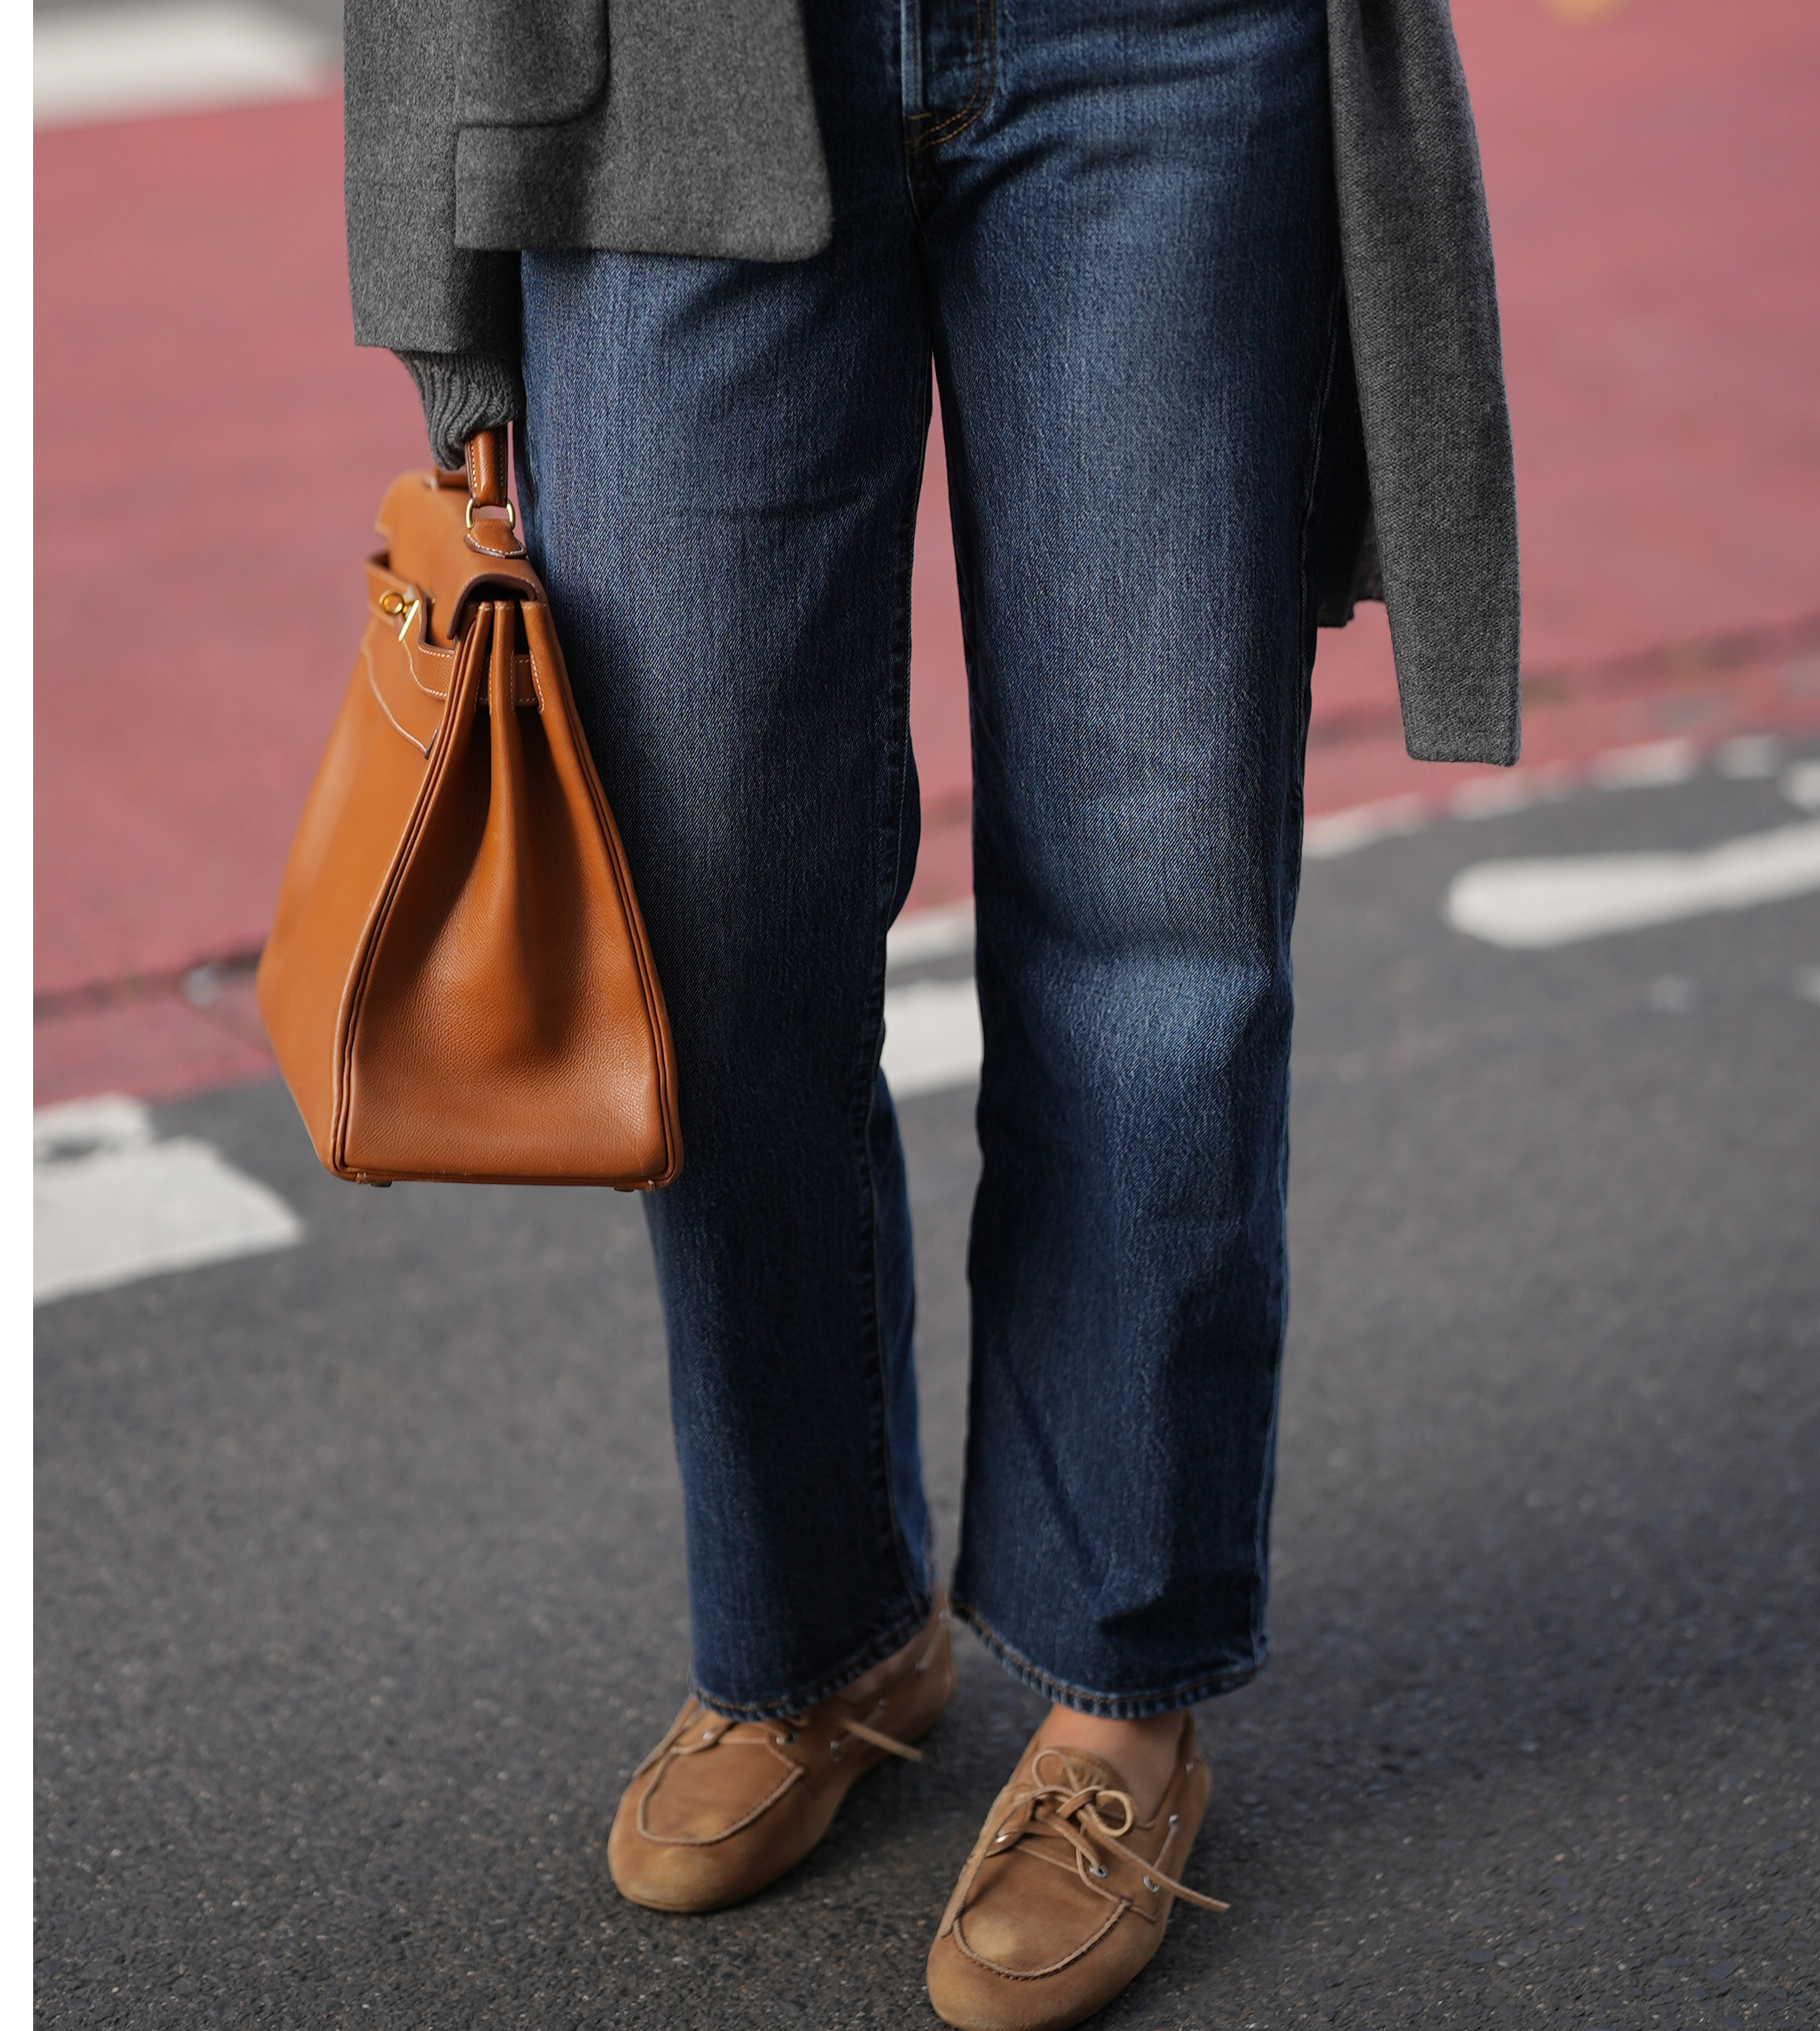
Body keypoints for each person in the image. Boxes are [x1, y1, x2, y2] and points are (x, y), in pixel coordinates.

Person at [343, 0, 1517, 2024]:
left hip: (1160, 50)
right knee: (703, 938)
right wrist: (444, 282)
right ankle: (819, 1636)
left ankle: (1119, 1689)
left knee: (1162, 918)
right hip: (668, 75)